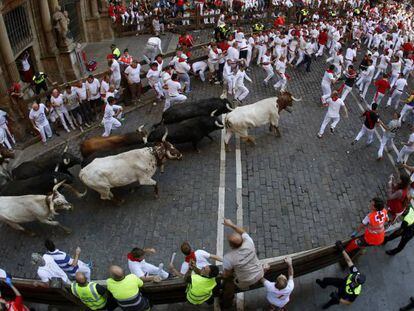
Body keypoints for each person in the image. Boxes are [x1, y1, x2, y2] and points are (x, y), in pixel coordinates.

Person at [221, 218, 264, 308]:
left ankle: (227, 301)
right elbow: (243, 232)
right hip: (260, 273)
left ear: (231, 246)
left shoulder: (228, 257)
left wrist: (224, 275)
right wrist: (231, 224)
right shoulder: (249, 242)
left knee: (228, 281)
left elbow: (227, 274)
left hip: (245, 282)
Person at [316, 241, 366, 309]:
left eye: (353, 279)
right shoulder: (356, 273)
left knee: (333, 301)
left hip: (343, 294)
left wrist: (339, 299)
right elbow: (348, 261)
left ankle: (326, 306)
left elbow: (349, 303)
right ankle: (323, 284)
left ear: (356, 283)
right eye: (354, 277)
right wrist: (342, 249)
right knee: (327, 280)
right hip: (342, 283)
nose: (353, 276)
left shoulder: (356, 292)